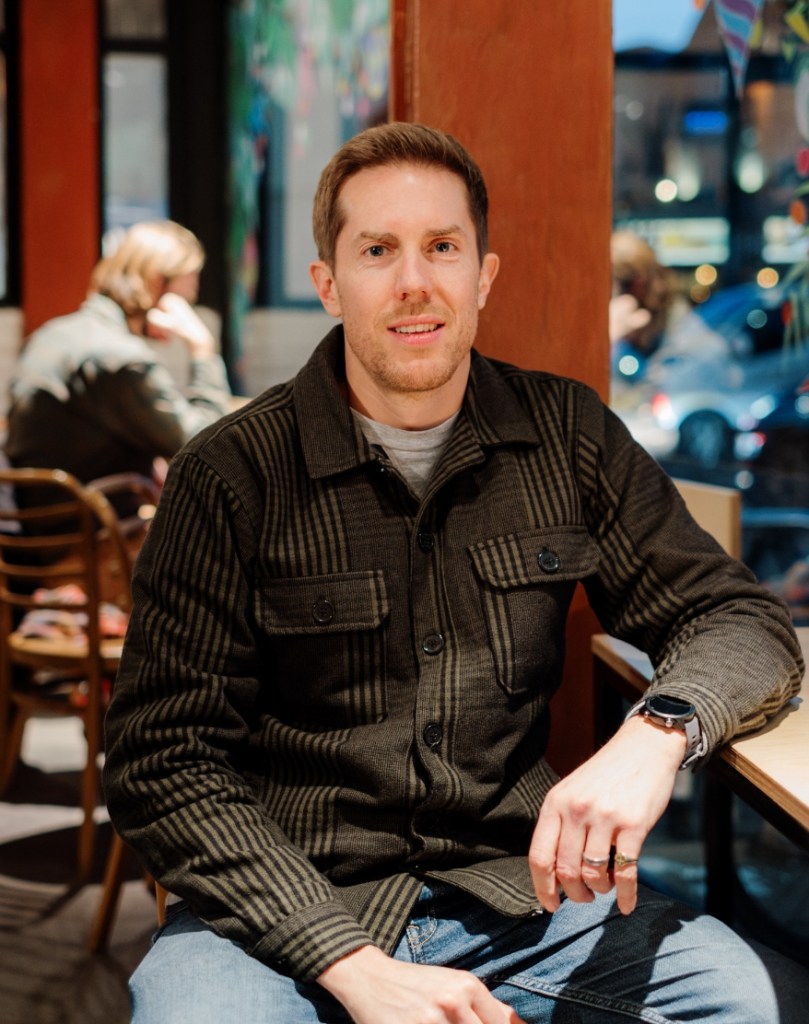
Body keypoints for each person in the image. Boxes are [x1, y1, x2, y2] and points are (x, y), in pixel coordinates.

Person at [104, 123, 809, 1023]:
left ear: (482, 275)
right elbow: (162, 758)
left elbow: (738, 618)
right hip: (276, 911)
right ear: (328, 283)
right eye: (377, 250)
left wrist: (656, 733)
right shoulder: (230, 472)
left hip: (518, 899)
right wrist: (351, 965)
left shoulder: (566, 434)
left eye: (442, 246)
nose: (414, 280)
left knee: (761, 1004)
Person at [4, 220, 232, 491]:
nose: (188, 308)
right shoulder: (123, 359)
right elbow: (210, 450)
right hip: (90, 514)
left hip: (40, 505)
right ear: (157, 282)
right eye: (186, 297)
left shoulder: (53, 332)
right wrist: (202, 347)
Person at [609, 229, 729, 411]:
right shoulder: (628, 326)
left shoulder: (683, 331)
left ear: (638, 284)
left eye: (615, 287)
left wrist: (613, 341)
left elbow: (657, 395)